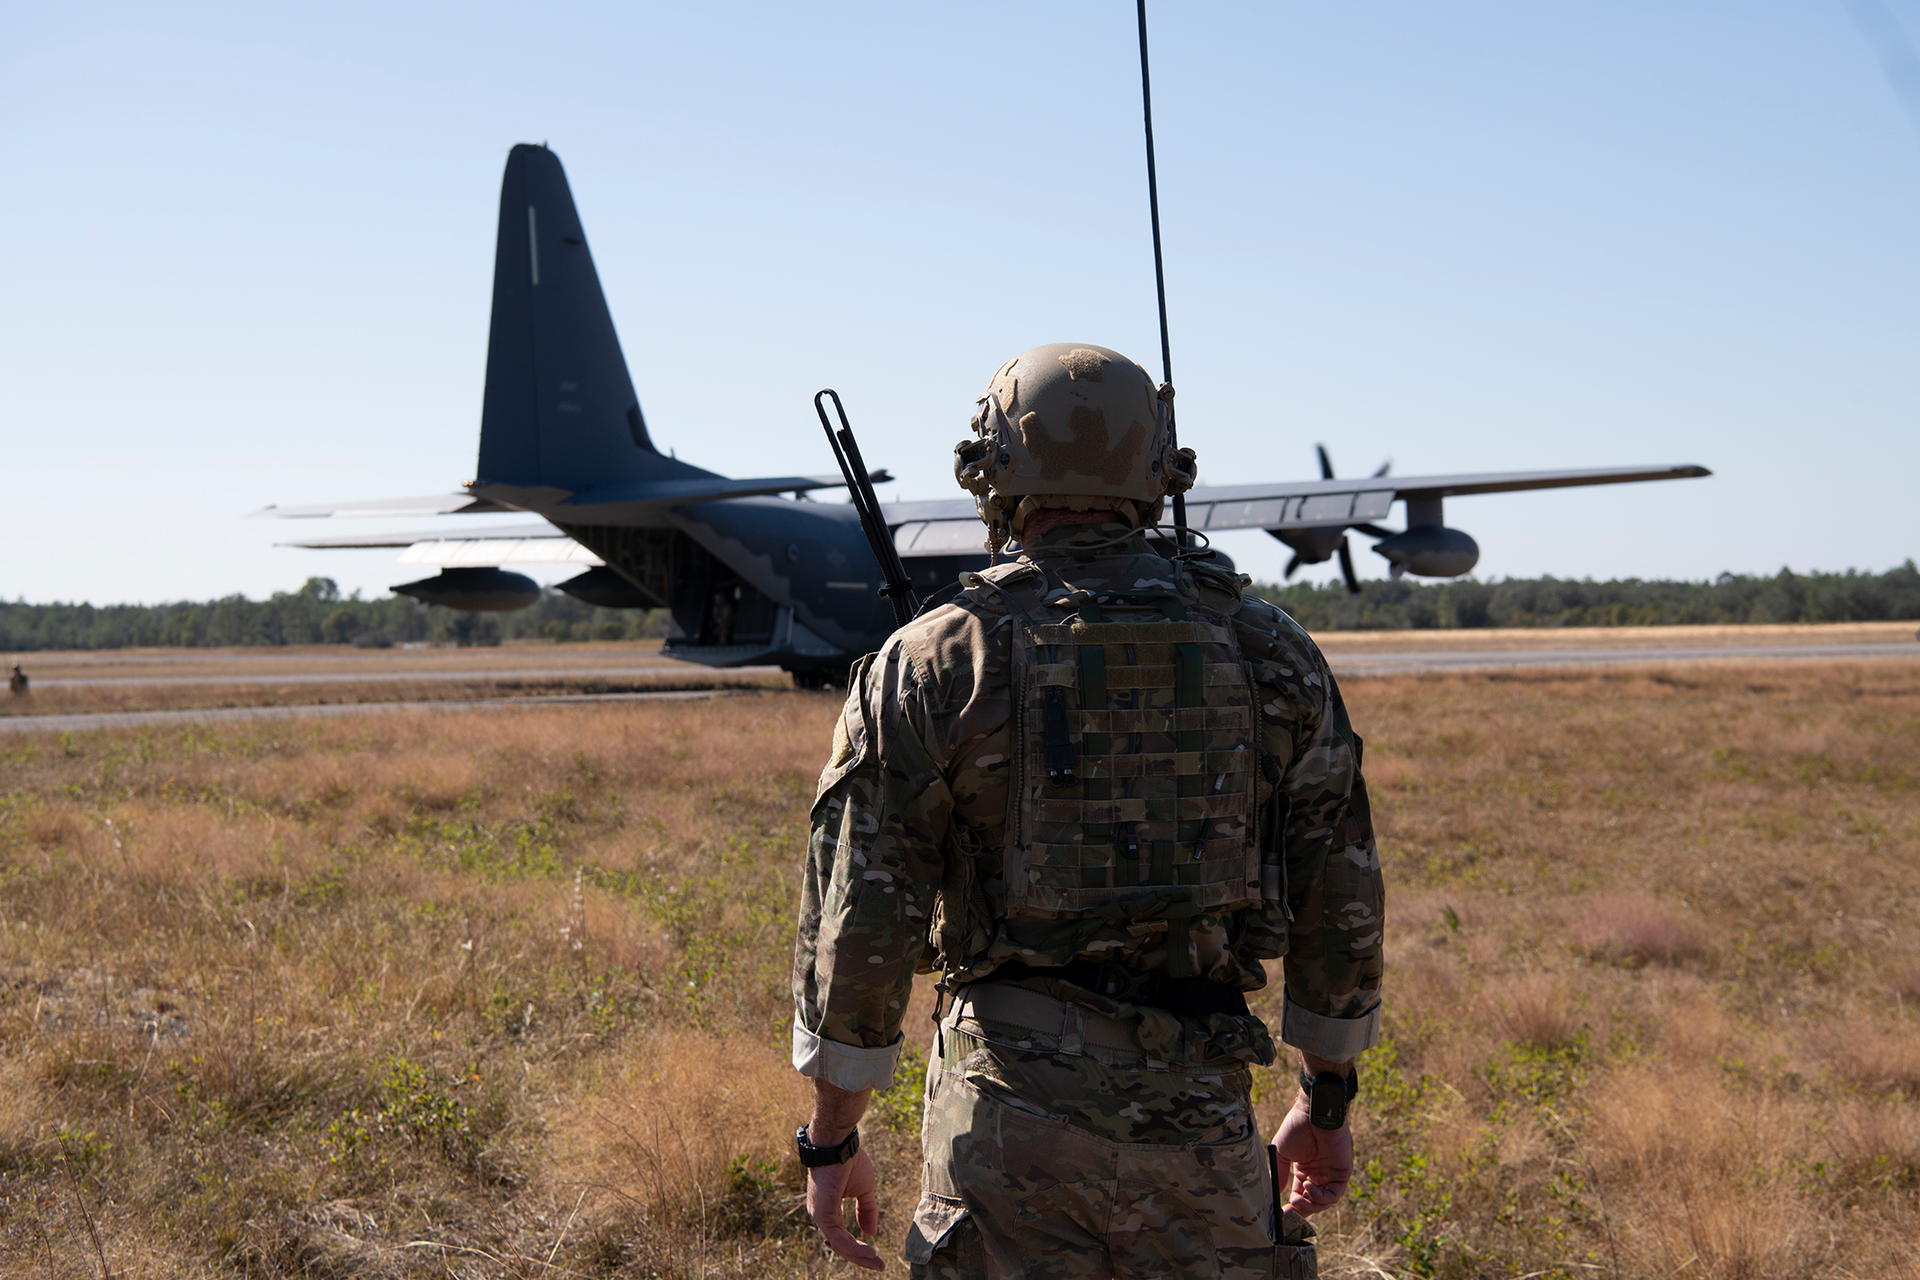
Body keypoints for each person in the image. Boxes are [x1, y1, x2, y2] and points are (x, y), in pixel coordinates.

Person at [790, 343, 1385, 1279]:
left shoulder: (938, 659)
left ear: (994, 469)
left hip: (1005, 1126)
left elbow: (863, 924)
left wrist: (831, 1139)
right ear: (1158, 468)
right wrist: (1327, 1100)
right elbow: (1339, 904)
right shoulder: (1272, 650)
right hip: (1201, 1124)